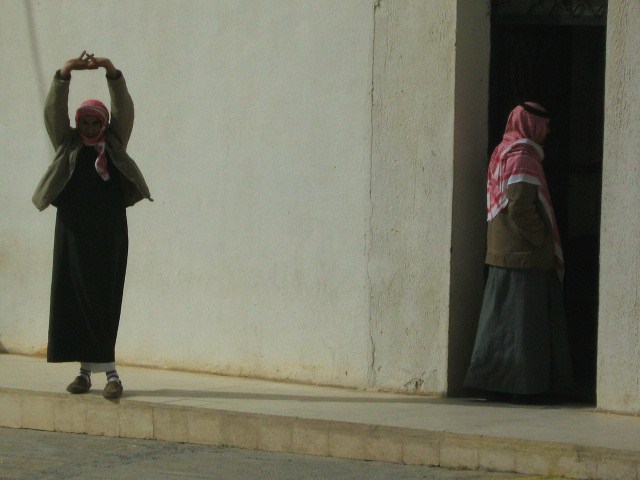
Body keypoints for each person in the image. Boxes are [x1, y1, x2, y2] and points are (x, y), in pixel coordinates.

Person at [33, 52, 152, 399]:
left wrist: (111, 71)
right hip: (72, 231)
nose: (88, 129)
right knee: (74, 298)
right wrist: (65, 73)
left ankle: (110, 374)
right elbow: (52, 112)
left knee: (103, 296)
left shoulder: (113, 145)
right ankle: (85, 373)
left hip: (109, 232)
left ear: (103, 124)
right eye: (83, 123)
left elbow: (124, 110)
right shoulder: (67, 145)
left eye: (94, 123)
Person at [464, 102, 573, 402]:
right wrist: (541, 238)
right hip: (523, 255)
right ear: (531, 124)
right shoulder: (524, 155)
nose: (548, 130)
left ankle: (497, 384)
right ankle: (522, 387)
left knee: (502, 324)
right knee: (524, 326)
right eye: (545, 124)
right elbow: (521, 206)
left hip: (505, 251)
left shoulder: (504, 150)